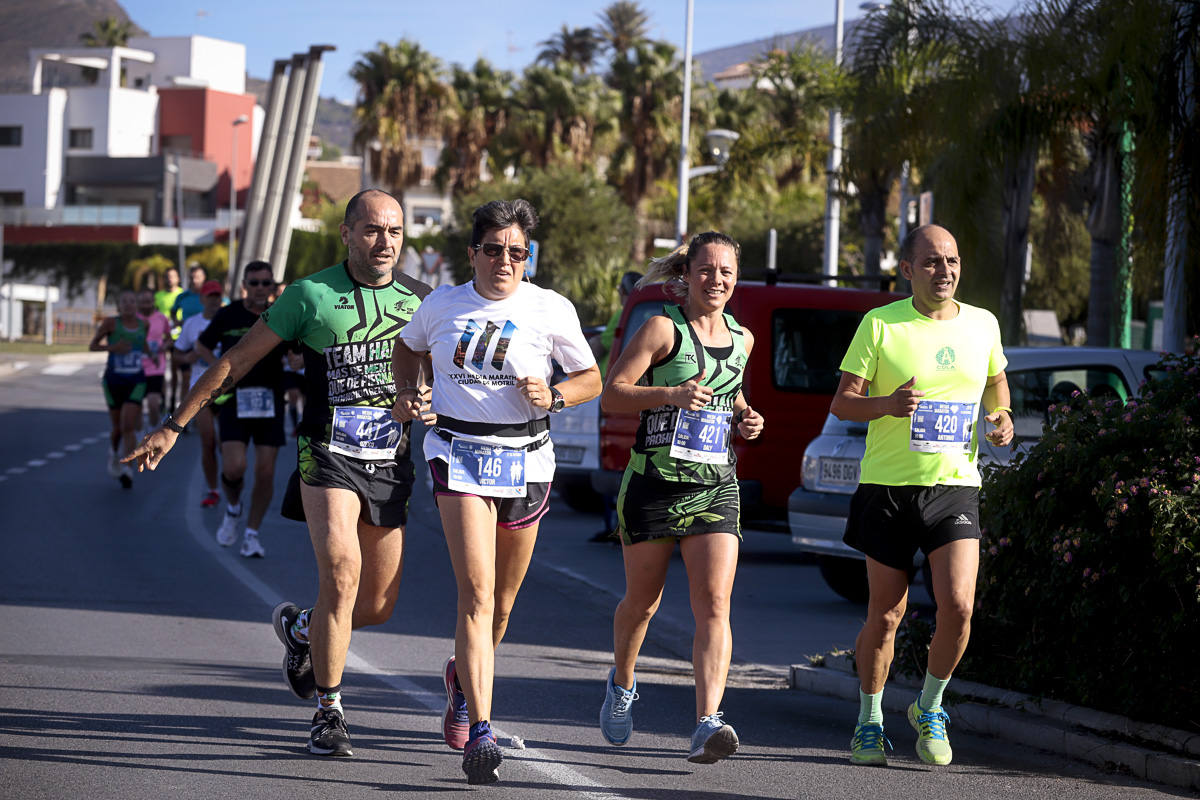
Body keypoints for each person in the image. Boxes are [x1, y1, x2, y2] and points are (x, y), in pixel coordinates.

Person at [125, 189, 433, 759]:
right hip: (328, 456)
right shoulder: (309, 295)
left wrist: (426, 400)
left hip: (391, 462)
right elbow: (236, 361)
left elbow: (440, 377)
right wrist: (172, 425)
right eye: (371, 230)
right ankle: (329, 712)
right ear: (346, 234)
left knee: (378, 604)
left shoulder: (423, 300)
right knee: (342, 576)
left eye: (394, 231)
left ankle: (301, 631)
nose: (385, 241)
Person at [392, 198, 601, 784]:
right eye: (494, 250)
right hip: (456, 453)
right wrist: (413, 394)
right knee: (477, 595)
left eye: (517, 252)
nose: (505, 261)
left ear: (527, 257)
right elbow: (406, 349)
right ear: (473, 253)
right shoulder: (442, 304)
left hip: (527, 458)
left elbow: (592, 377)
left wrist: (555, 396)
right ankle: (481, 730)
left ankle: (461, 678)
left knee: (502, 606)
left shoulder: (550, 308)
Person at [830, 224, 1012, 767]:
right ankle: (869, 719)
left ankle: (930, 706)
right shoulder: (880, 324)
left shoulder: (982, 324)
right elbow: (843, 403)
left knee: (958, 605)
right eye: (932, 262)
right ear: (907, 269)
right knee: (886, 616)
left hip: (954, 486)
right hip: (888, 489)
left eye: (952, 261)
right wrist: (885, 405)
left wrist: (1001, 419)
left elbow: (997, 384)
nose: (945, 271)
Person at [596, 232, 764, 765]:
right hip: (654, 485)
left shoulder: (744, 338)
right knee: (642, 604)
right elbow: (613, 393)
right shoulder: (661, 329)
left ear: (737, 280)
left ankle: (706, 721)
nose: (717, 280)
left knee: (715, 604)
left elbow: (730, 388)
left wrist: (744, 417)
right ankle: (622, 683)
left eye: (727, 273)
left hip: (716, 484)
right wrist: (669, 393)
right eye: (707, 270)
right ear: (687, 276)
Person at [192, 261, 291, 558]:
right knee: (234, 467)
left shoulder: (282, 315)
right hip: (235, 400)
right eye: (255, 283)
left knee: (265, 472)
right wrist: (219, 369)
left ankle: (252, 534)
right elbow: (201, 345)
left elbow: (297, 352)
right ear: (244, 285)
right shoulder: (229, 313)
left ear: (272, 286)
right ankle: (233, 507)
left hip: (270, 400)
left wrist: (299, 361)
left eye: (266, 283)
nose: (261, 288)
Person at [173, 280, 226, 507]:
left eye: (217, 296)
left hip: (227, 388)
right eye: (210, 296)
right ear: (202, 299)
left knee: (227, 443)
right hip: (201, 388)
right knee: (208, 441)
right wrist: (188, 358)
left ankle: (231, 480)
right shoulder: (192, 324)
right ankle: (213, 489)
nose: (214, 300)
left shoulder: (227, 319)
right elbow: (177, 355)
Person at [89, 289, 148, 489]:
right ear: (119, 306)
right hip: (113, 380)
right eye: (125, 302)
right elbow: (93, 346)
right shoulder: (111, 323)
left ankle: (128, 469)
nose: (129, 305)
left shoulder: (143, 324)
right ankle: (114, 453)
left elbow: (143, 344)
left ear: (137, 305)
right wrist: (112, 348)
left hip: (136, 381)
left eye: (133, 301)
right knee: (117, 428)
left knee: (128, 426)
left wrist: (154, 355)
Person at [169, 264, 209, 411]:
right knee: (186, 378)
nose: (195, 280)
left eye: (198, 276)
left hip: (206, 341)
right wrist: (178, 322)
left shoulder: (208, 296)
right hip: (186, 341)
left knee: (206, 378)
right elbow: (173, 312)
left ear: (204, 278)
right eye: (192, 277)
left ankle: (202, 410)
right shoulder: (183, 296)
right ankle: (182, 412)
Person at [136, 289, 173, 432]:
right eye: (143, 301)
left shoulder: (161, 318)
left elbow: (169, 338)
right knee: (136, 406)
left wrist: (164, 346)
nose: (146, 304)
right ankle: (138, 435)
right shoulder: (135, 318)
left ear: (153, 302)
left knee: (153, 403)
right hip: (137, 367)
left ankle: (151, 430)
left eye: (149, 301)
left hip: (156, 367)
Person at [593, 270, 642, 378]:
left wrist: (593, 342)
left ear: (623, 291)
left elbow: (600, 348)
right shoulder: (648, 315)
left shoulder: (622, 315)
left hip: (609, 380)